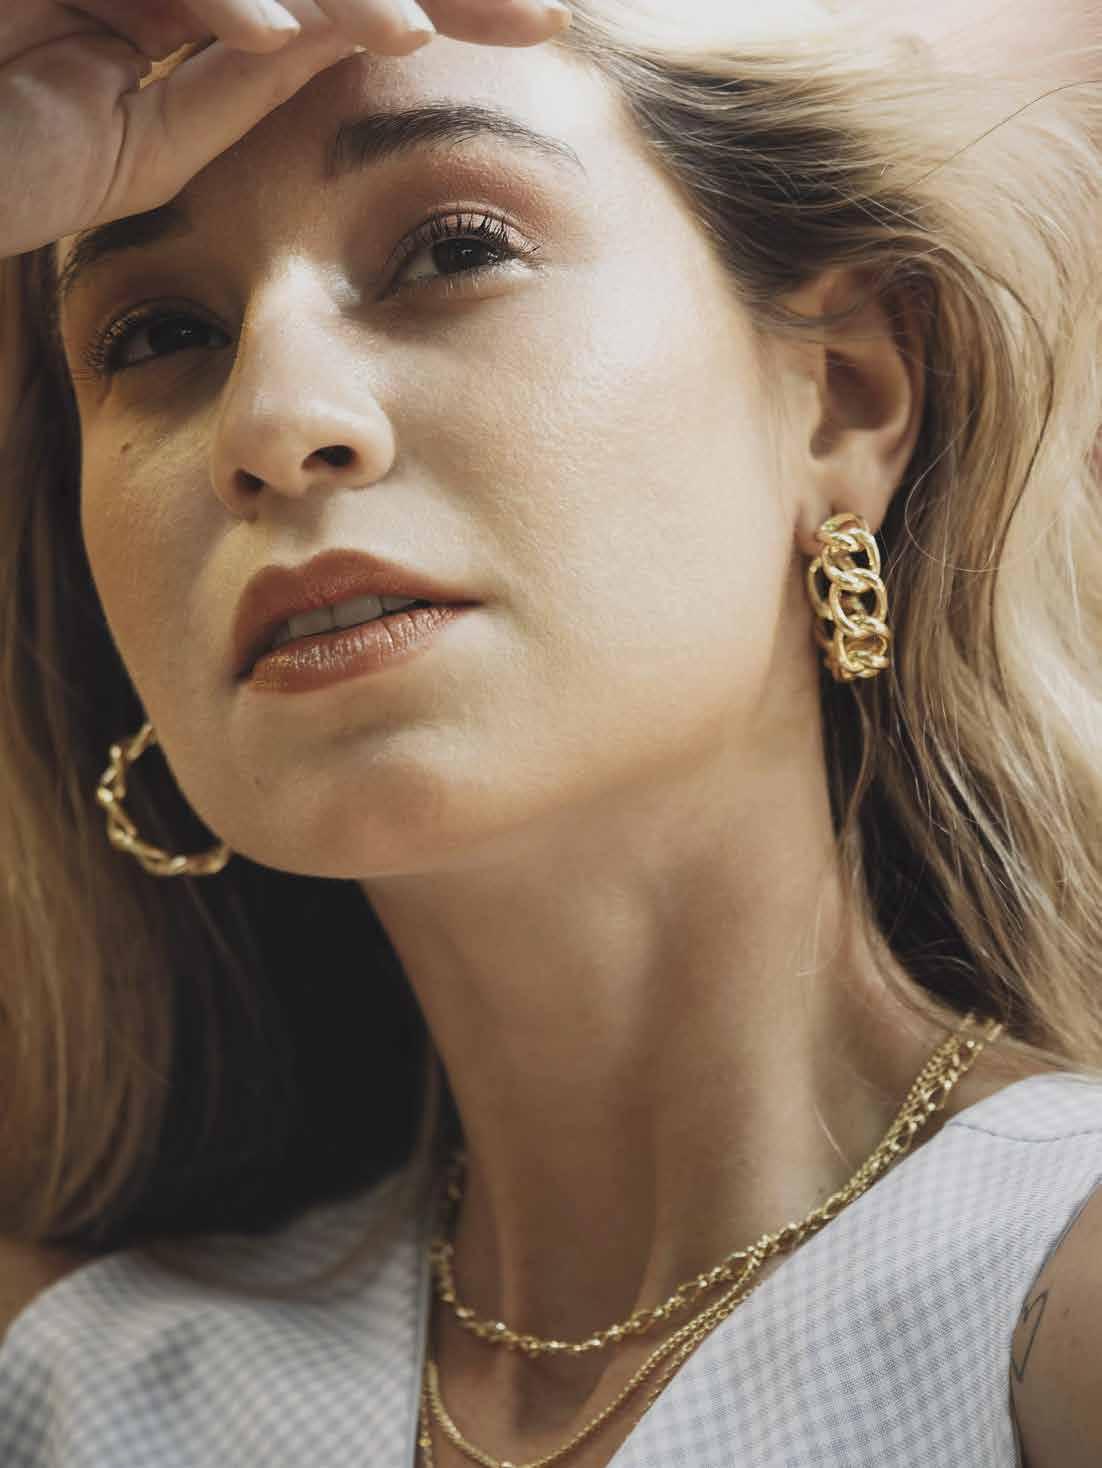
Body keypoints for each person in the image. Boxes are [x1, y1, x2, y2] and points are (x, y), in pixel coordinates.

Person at [0, 1, 1099, 1465]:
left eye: (455, 249)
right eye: (159, 335)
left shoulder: (1055, 1295)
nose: (272, 420)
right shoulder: (79, 1386)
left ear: (841, 400)